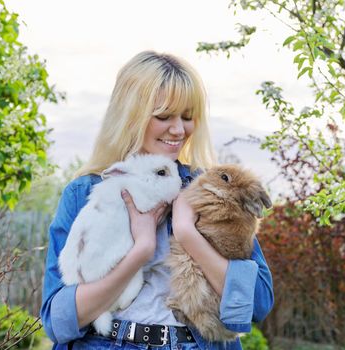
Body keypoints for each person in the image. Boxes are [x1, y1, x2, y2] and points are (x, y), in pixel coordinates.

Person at [40, 51, 274, 350]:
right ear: (130, 115)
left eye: (188, 117)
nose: (178, 130)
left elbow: (257, 303)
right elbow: (57, 321)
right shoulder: (87, 192)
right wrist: (141, 250)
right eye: (164, 116)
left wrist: (187, 233)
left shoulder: (212, 190)